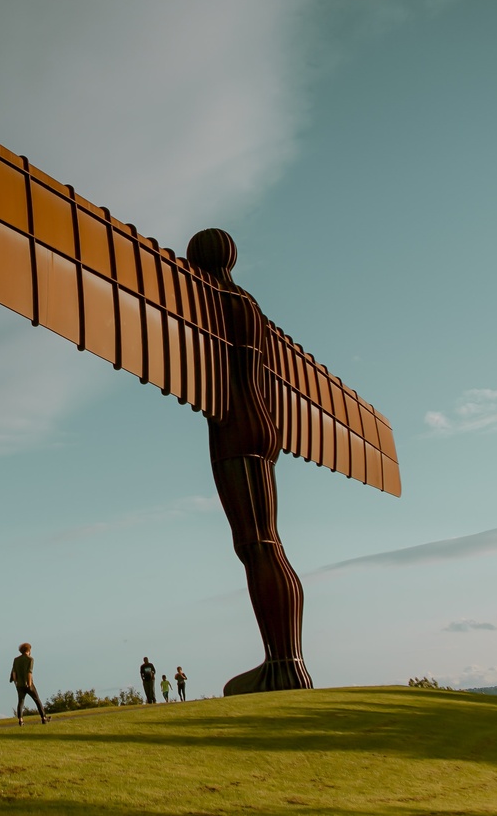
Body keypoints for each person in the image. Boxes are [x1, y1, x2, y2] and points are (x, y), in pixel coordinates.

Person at [188, 228, 313, 695]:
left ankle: (283, 664)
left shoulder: (203, 296)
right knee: (268, 541)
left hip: (234, 425)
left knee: (255, 543)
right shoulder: (251, 306)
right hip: (266, 424)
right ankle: (288, 661)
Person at [9, 642, 47, 725]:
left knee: (20, 702)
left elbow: (14, 673)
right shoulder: (30, 659)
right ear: (28, 650)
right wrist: (29, 684)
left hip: (19, 685)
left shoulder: (16, 660)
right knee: (37, 700)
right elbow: (29, 672)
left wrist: (16, 682)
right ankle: (43, 717)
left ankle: (20, 719)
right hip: (28, 684)